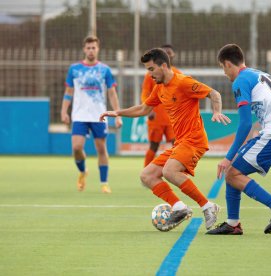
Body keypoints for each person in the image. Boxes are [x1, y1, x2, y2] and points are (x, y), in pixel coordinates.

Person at [100, 48, 231, 231]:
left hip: (194, 140)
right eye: (147, 70)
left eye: (151, 69)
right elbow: (143, 109)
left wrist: (216, 111)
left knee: (169, 171)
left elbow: (214, 94)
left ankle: (207, 206)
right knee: (147, 175)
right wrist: (117, 112)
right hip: (181, 142)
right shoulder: (159, 89)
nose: (150, 74)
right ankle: (179, 208)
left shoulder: (183, 81)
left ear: (163, 65)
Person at [206, 44, 271, 235]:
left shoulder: (240, 81)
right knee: (234, 171)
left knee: (232, 172)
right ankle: (233, 224)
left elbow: (244, 124)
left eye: (223, 68)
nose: (225, 73)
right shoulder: (262, 75)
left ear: (227, 64)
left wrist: (227, 156)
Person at [61, 35, 123, 194]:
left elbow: (112, 93)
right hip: (79, 115)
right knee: (76, 147)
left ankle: (104, 183)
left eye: (93, 47)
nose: (90, 50)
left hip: (99, 115)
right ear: (84, 49)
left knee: (101, 149)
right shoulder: (74, 69)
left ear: (98, 49)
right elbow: (68, 92)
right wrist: (64, 111)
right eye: (88, 48)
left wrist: (117, 115)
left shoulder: (105, 70)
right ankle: (82, 171)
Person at [141, 44, 180, 167]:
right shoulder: (151, 74)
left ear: (173, 56)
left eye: (170, 53)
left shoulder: (178, 74)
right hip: (156, 117)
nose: (168, 55)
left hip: (172, 118)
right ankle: (146, 172)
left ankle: (177, 170)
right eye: (165, 52)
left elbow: (182, 96)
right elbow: (145, 93)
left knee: (177, 145)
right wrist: (149, 109)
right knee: (154, 146)